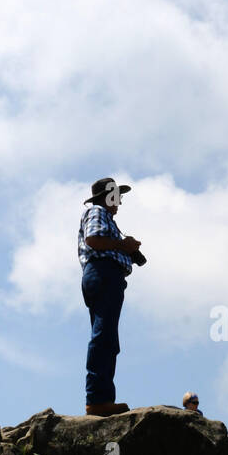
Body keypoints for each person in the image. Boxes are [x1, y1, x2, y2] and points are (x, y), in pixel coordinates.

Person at [78, 177, 145, 415]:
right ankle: (97, 399)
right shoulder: (97, 211)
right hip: (103, 273)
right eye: (116, 196)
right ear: (107, 196)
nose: (119, 201)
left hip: (104, 275)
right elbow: (93, 239)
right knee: (104, 336)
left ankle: (102, 398)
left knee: (106, 337)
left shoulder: (105, 217)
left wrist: (123, 246)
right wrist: (122, 246)